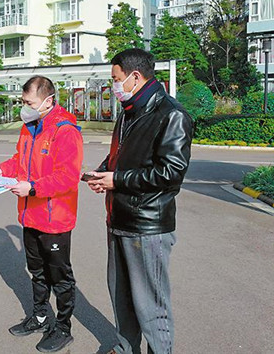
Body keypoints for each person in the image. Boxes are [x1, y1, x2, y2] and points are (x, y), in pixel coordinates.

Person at [86, 48, 193, 354]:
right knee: (122, 297)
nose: (113, 86)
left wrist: (117, 180)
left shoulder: (171, 115)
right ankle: (124, 348)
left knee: (151, 306)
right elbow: (120, 157)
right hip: (118, 218)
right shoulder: (128, 111)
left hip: (146, 226)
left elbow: (170, 173)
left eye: (115, 79)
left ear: (135, 76)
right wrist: (104, 172)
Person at [0, 75, 84, 353]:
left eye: (29, 103)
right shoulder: (29, 126)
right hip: (30, 216)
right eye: (23, 102)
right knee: (37, 272)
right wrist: (0, 170)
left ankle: (63, 328)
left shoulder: (65, 131)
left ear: (48, 101)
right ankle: (40, 317)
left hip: (55, 219)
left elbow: (68, 177)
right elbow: (19, 160)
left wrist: (32, 188)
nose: (25, 107)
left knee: (60, 277)